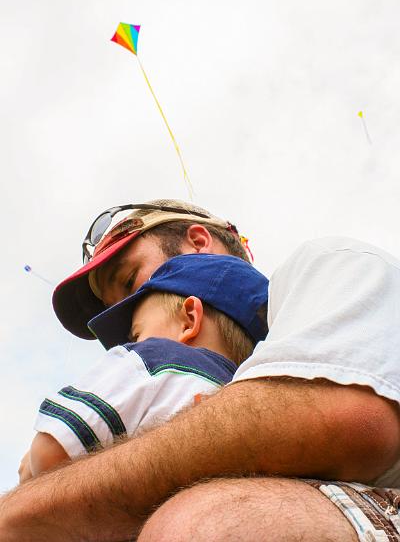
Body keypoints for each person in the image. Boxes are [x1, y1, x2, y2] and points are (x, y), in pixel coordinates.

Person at [1, 199, 400, 542]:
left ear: (197, 241)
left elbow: (344, 415)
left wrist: (27, 507)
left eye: (131, 280)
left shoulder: (324, 266)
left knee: (207, 521)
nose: (130, 340)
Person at [20, 253, 267, 480]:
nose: (132, 343)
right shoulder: (251, 401)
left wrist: (27, 466)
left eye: (136, 334)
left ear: (189, 320)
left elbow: (50, 452)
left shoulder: (154, 359)